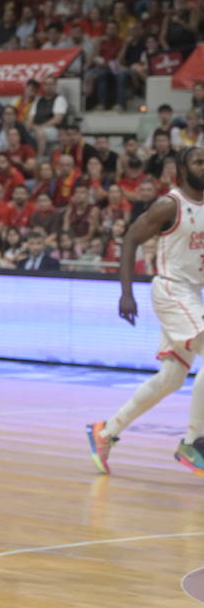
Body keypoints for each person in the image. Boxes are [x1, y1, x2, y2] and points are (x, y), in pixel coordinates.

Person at [88, 147, 204, 476]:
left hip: (193, 293)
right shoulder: (171, 203)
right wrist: (126, 292)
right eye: (198, 161)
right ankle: (193, 442)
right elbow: (130, 240)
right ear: (181, 169)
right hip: (171, 289)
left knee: (171, 378)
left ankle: (105, 431)